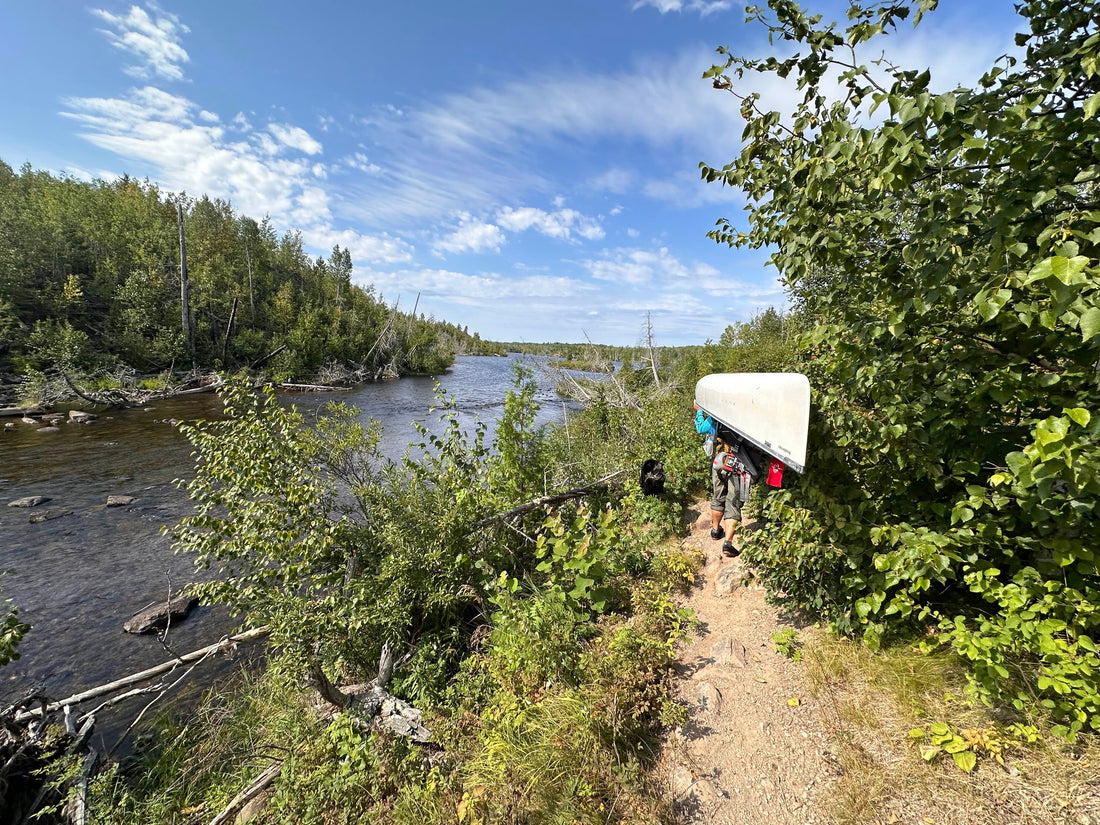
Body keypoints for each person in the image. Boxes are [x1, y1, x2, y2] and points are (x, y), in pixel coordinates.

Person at [694, 401, 751, 557]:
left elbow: (701, 428)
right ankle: (727, 544)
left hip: (718, 461)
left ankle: (715, 531)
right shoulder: (748, 416)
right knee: (733, 501)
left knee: (718, 496)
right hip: (739, 464)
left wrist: (699, 412)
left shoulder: (716, 415)